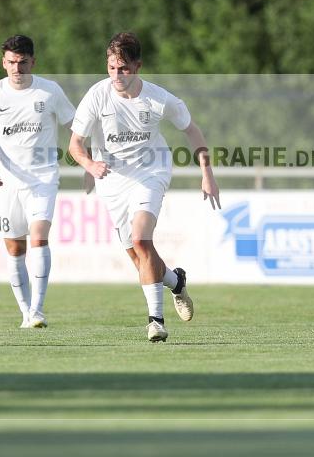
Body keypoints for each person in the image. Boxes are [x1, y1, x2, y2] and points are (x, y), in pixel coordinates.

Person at [68, 32, 221, 342]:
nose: (116, 75)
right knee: (140, 257)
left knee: (141, 239)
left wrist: (207, 173)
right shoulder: (97, 95)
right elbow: (75, 144)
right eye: (111, 67)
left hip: (151, 172)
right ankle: (175, 281)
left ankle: (156, 321)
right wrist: (89, 165)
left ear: (137, 67)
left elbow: (192, 131)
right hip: (111, 180)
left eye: (123, 68)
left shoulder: (158, 98)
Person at [0, 35, 75, 329]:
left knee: (40, 236)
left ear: (33, 62)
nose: (17, 68)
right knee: (16, 250)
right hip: (6, 184)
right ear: (4, 63)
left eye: (23, 62)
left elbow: (74, 126)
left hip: (43, 179)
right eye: (12, 62)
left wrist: (87, 159)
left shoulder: (49, 91)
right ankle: (26, 312)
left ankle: (38, 311)